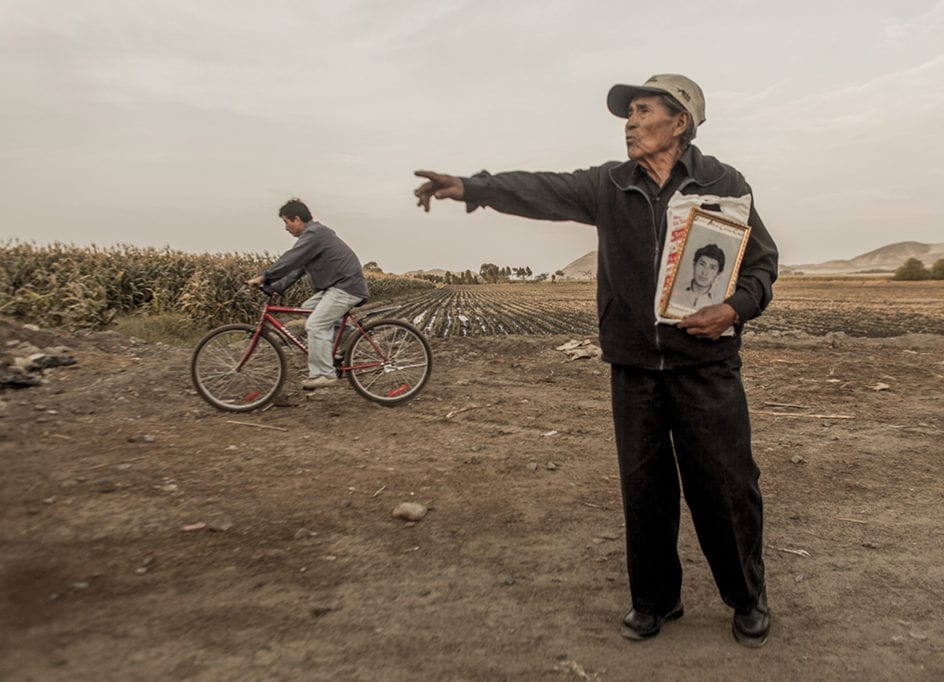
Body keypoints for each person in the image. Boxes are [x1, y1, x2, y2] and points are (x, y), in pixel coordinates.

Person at [413, 73, 777, 647]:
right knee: (645, 490)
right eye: (627, 114)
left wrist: (733, 308)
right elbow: (543, 189)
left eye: (641, 111)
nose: (629, 124)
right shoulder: (609, 184)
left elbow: (761, 265)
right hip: (634, 367)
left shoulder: (723, 183)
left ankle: (746, 597)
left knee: (727, 487)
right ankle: (655, 601)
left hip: (706, 366)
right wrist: (471, 186)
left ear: (679, 122)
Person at [246, 198, 369, 390]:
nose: (285, 228)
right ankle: (348, 338)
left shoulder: (314, 233)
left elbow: (291, 259)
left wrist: (264, 276)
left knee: (316, 324)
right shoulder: (314, 238)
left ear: (296, 219)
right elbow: (296, 269)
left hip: (346, 286)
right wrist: (274, 286)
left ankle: (323, 374)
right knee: (308, 309)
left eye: (286, 222)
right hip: (338, 286)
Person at [679, 243, 726, 309]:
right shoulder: (676, 291)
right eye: (702, 264)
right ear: (694, 265)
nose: (704, 272)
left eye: (712, 268)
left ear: (718, 274)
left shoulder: (719, 302)